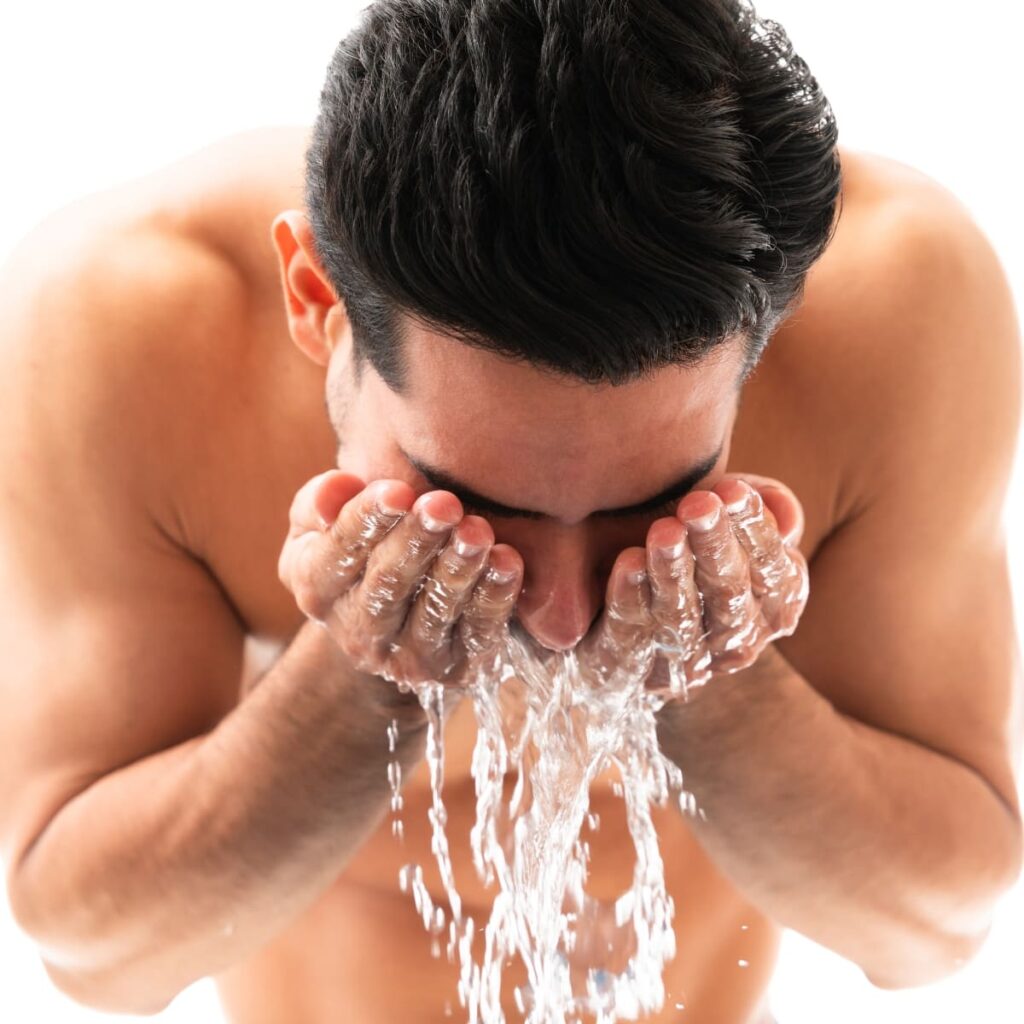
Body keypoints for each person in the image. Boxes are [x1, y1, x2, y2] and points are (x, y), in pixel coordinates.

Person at [0, 1, 1020, 1021]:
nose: (564, 620)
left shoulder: (898, 309)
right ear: (315, 299)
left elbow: (931, 933)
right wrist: (359, 679)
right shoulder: (132, 329)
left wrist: (713, 672)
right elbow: (99, 960)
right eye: (471, 503)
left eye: (651, 505)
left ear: (765, 337)